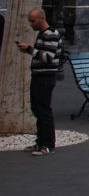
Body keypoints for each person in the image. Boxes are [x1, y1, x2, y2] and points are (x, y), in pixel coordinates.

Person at [15, 8, 64, 156]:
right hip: (39, 76)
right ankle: (41, 142)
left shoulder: (51, 34)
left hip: (45, 77)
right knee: (38, 109)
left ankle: (48, 144)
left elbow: (48, 57)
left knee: (43, 110)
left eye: (33, 20)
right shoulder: (43, 34)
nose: (31, 24)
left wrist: (29, 49)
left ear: (42, 18)